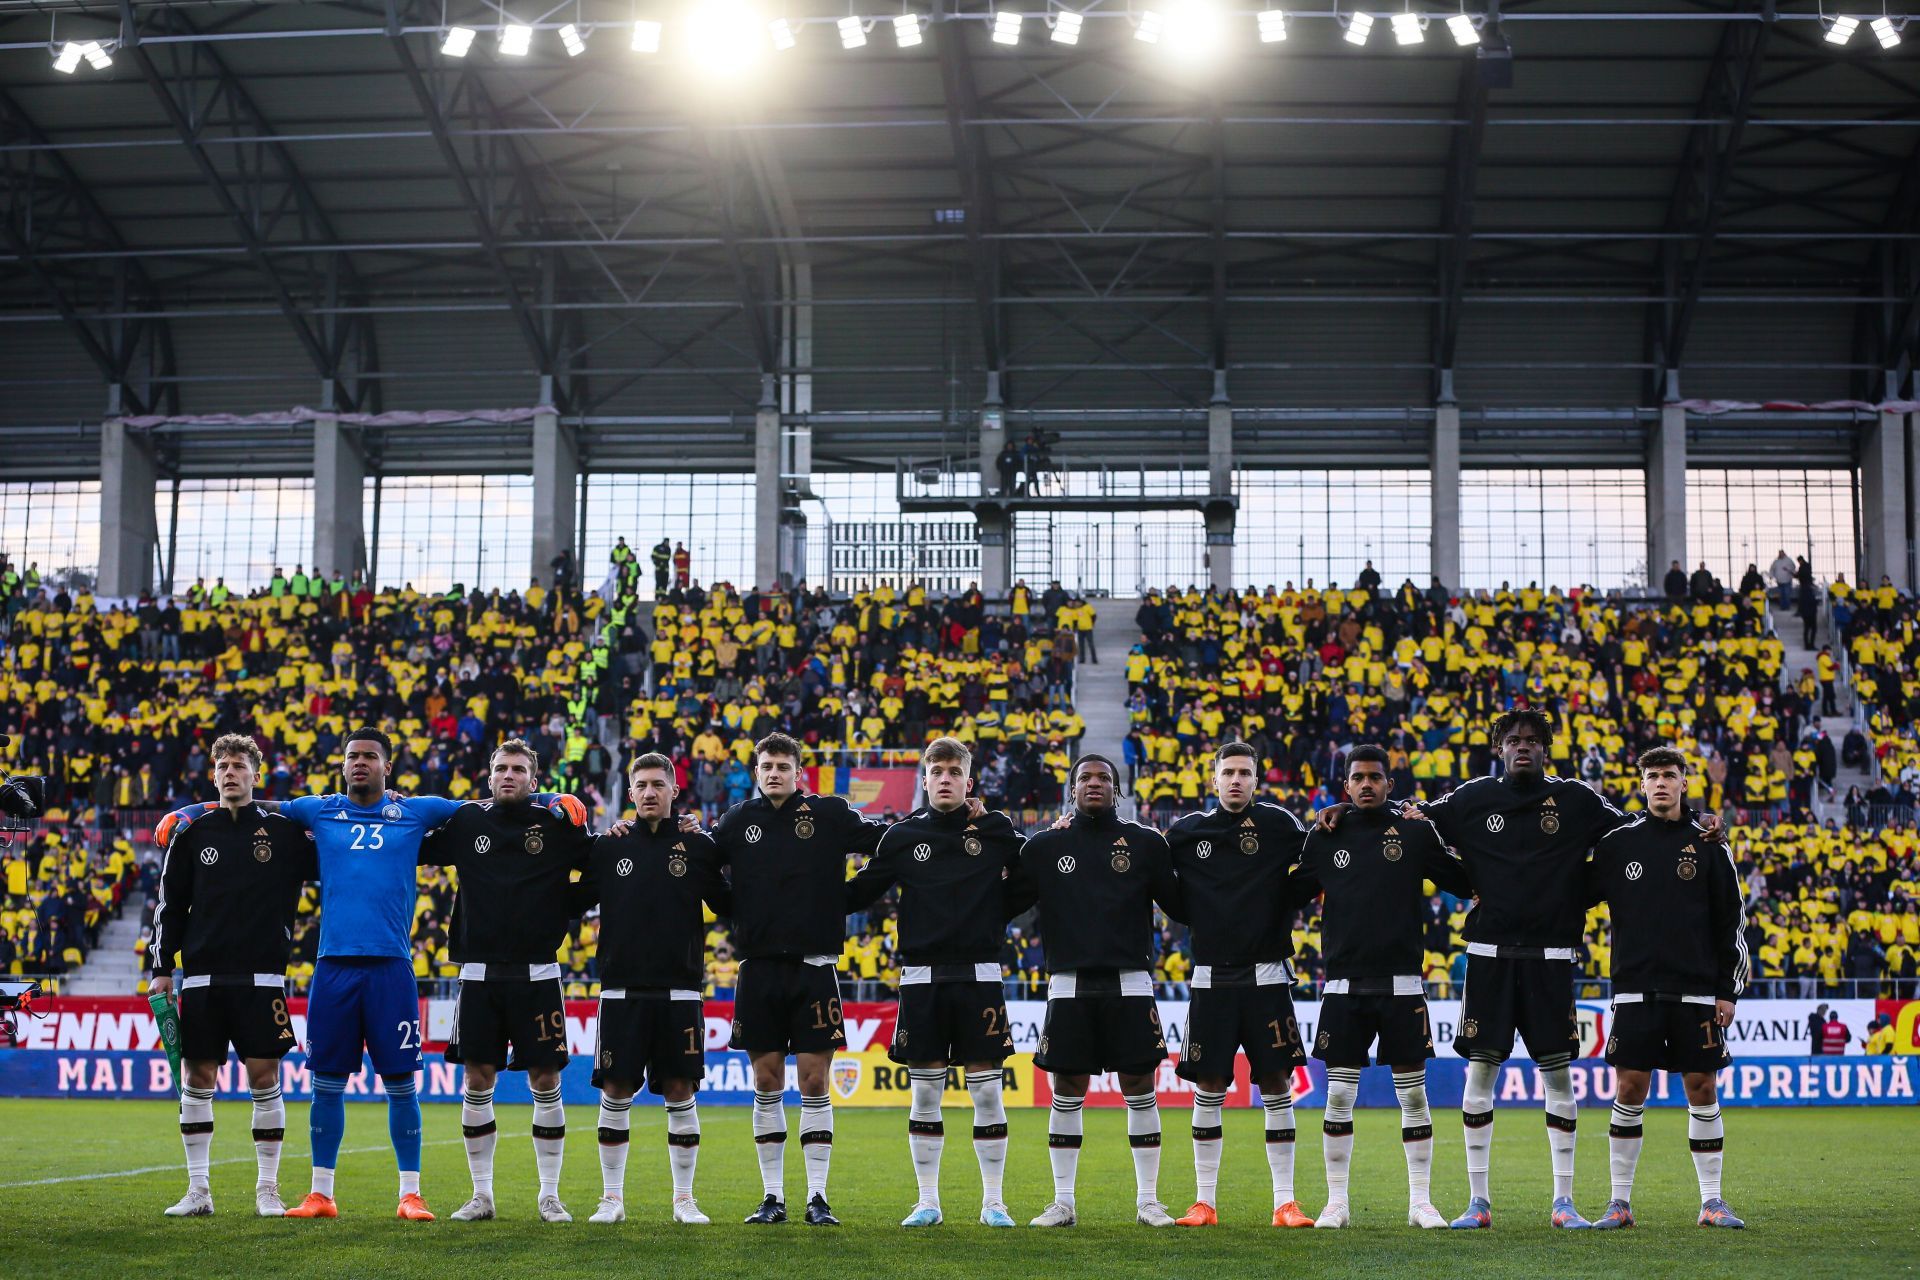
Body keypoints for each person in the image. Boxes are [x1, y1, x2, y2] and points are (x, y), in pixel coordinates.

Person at [1321, 708, 1723, 1230]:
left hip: (1551, 959)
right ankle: (1478, 1202)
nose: (1524, 746)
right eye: (1514, 740)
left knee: (1558, 1079)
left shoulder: (1577, 799)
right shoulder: (1470, 799)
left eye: (1534, 740)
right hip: (1488, 957)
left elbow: (1641, 827)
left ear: (1546, 748)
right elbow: (1405, 812)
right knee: (1481, 1074)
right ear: (1500, 748)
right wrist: (1342, 811)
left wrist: (1700, 820)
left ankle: (1563, 1203)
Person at [157, 729, 469, 1221]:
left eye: (370, 757)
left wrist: (548, 796)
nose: (360, 763)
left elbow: (486, 806)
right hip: (333, 968)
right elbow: (253, 802)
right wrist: (193, 810)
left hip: (391, 966)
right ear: (342, 765)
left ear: (388, 766)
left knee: (402, 1084)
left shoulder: (417, 810)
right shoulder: (316, 810)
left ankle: (411, 1193)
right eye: (352, 757)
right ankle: (321, 1194)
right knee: (325, 1083)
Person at [695, 732, 887, 1226]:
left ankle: (818, 1197)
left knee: (815, 1080)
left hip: (814, 968)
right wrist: (730, 905)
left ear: (799, 772)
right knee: (765, 1081)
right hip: (757, 969)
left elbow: (889, 844)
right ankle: (772, 1196)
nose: (775, 772)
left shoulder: (829, 815)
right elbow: (701, 867)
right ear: (755, 772)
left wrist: (847, 898)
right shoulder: (737, 822)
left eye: (783, 765)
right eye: (767, 766)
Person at [1286, 745, 1471, 1230]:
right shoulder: (1326, 834)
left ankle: (1420, 1202)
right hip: (1344, 986)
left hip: (1404, 985)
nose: (1366, 784)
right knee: (1340, 1097)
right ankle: (1337, 1203)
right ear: (1344, 786)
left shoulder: (1413, 830)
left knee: (1413, 1097)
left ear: (1390, 783)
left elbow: (1463, 879)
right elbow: (1287, 892)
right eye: (1357, 778)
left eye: (1375, 777)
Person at [844, 737, 1026, 1228]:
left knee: (987, 1094)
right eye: (936, 771)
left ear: (969, 782)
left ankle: (994, 1202)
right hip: (921, 980)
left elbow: (1040, 872)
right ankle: (928, 1201)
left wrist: (995, 908)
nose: (944, 778)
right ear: (924, 781)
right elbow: (858, 893)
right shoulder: (902, 837)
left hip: (979, 977)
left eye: (954, 771)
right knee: (925, 1094)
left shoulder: (996, 830)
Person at [420, 739, 595, 1224]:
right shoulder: (467, 822)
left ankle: (549, 1195)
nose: (509, 775)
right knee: (478, 1080)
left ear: (534, 781)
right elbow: (414, 841)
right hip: (478, 977)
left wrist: (564, 906)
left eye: (519, 769)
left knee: (546, 1080)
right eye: (501, 768)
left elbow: (600, 865)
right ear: (489, 775)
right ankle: (482, 1195)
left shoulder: (557, 825)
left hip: (538, 975)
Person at [1008, 755, 1182, 1228]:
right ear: (1071, 789)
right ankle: (1062, 1203)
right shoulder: (1045, 846)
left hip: (1131, 982)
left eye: (1104, 777)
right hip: (1069, 984)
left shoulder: (1146, 843)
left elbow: (1181, 904)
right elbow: (1007, 899)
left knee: (1140, 1087)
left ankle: (1149, 1201)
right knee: (1067, 1089)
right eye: (1085, 777)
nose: (1094, 783)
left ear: (1117, 789)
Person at [147, 734, 316, 1218]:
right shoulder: (193, 833)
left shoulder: (284, 831)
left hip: (262, 977)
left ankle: (267, 1189)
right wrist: (162, 968)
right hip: (202, 977)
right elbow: (170, 906)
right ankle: (198, 1191)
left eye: (239, 765)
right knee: (196, 1078)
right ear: (213, 775)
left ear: (256, 775)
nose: (229, 772)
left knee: (264, 1078)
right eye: (221, 765)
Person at [1585, 745, 1748, 1230]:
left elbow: (1730, 921)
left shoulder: (1710, 842)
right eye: (1652, 775)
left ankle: (1713, 1202)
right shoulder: (1618, 843)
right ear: (1641, 785)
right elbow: (1576, 893)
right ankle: (1619, 1203)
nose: (1660, 783)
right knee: (1630, 1087)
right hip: (1635, 988)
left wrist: (1727, 991)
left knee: (1701, 1086)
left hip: (1696, 990)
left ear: (1683, 782)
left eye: (1669, 775)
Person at [1160, 742, 1316, 1229]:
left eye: (1244, 773)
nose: (1235, 780)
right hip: (1211, 979)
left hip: (1268, 977)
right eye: (1227, 772)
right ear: (1213, 780)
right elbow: (1161, 883)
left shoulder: (1279, 825)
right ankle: (1204, 1202)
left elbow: (1318, 860)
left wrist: (1282, 902)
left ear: (1256, 780)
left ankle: (1285, 1203)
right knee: (1209, 1086)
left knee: (1276, 1084)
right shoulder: (1186, 833)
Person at [574, 753, 731, 1225]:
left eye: (657, 784)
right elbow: (572, 898)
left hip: (680, 991)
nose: (648, 792)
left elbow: (727, 904)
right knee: (616, 1090)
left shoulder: (696, 846)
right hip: (621, 991)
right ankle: (612, 1199)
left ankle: (684, 1199)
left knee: (681, 1091)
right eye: (640, 785)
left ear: (673, 790)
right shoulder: (608, 847)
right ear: (629, 793)